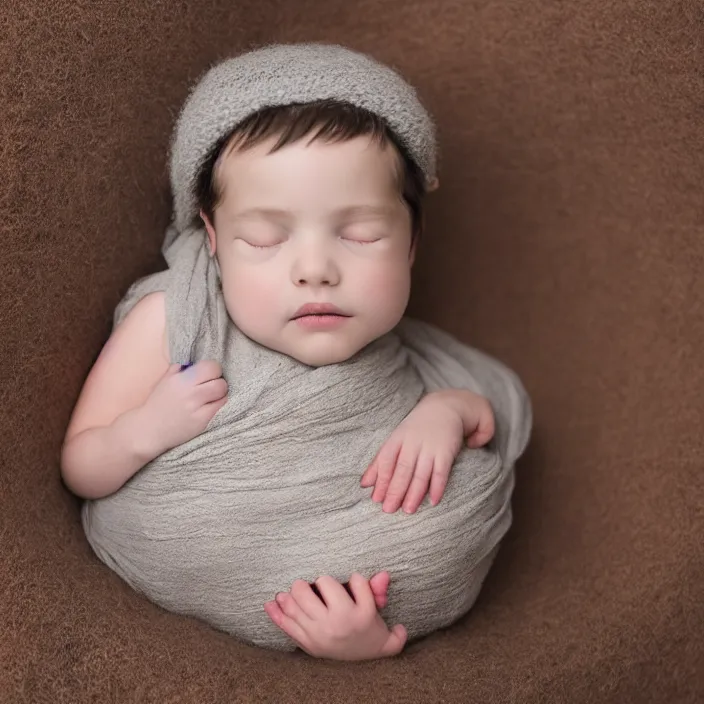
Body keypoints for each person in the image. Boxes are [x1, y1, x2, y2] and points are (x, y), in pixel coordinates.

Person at [62, 44, 529, 661]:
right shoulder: (175, 319)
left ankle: (372, 636)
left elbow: (490, 407)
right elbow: (81, 465)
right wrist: (143, 431)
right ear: (213, 239)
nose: (315, 270)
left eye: (361, 234)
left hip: (365, 608)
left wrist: (445, 412)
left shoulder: (408, 357)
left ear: (412, 243)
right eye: (263, 237)